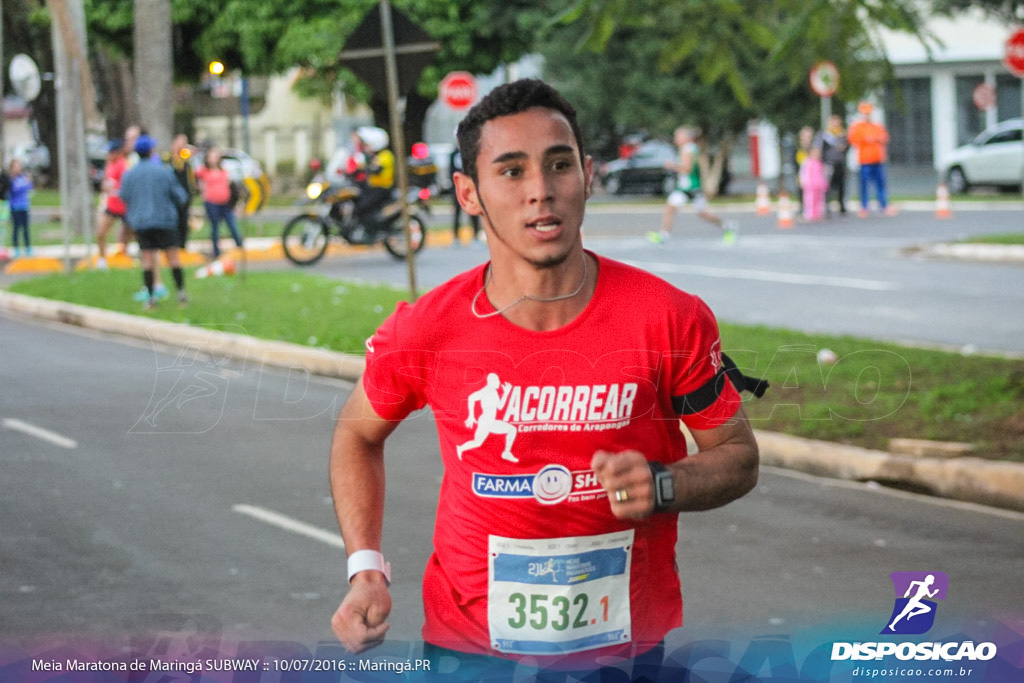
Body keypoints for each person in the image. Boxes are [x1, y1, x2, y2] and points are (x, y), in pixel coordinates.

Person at [329, 79, 762, 678]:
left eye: (558, 165)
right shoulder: (428, 328)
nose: (540, 191)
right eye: (510, 171)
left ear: (586, 175)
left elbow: (737, 456)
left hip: (627, 652)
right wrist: (366, 568)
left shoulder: (667, 317)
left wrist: (664, 485)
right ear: (468, 193)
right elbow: (357, 434)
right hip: (469, 650)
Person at [118, 135, 189, 310]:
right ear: (151, 151)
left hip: (142, 222)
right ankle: (181, 293)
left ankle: (151, 298)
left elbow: (123, 196)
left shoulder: (130, 174)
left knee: (147, 259)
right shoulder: (164, 172)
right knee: (173, 257)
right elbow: (180, 196)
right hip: (165, 221)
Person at [649, 125, 736, 245]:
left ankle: (727, 226)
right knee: (670, 208)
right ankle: (664, 235)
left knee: (703, 214)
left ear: (686, 138)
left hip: (692, 187)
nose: (676, 139)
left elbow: (687, 169)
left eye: (678, 136)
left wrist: (672, 166)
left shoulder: (687, 149)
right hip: (684, 187)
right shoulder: (690, 148)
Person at [847, 101, 896, 218]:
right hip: (865, 161)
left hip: (878, 159)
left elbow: (884, 138)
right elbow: (853, 140)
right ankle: (864, 207)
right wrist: (867, 139)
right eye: (865, 114)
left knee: (881, 184)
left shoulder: (877, 126)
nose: (867, 116)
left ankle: (884, 205)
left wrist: (874, 139)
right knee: (864, 184)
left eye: (869, 113)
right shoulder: (858, 127)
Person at [195, 147, 243, 259]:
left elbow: (230, 185)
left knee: (232, 224)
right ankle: (216, 251)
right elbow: (196, 178)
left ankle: (240, 246)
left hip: (225, 202)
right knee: (215, 226)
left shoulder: (223, 170)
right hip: (212, 202)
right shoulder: (203, 171)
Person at [350, 126, 395, 229]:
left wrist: (366, 169)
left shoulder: (385, 155)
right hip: (373, 188)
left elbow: (376, 169)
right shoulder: (375, 156)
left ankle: (370, 229)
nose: (366, 147)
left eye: (368, 144)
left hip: (381, 189)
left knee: (362, 207)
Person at [95, 139, 129, 269]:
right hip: (111, 205)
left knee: (128, 235)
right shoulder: (109, 164)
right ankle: (102, 260)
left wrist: (116, 190)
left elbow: (126, 185)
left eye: (111, 152)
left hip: (124, 206)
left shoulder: (123, 165)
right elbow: (106, 183)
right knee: (101, 233)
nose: (109, 154)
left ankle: (125, 258)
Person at [167, 134, 198, 250]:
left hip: (185, 197)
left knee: (184, 223)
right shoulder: (171, 160)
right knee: (174, 223)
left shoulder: (186, 161)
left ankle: (182, 246)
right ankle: (174, 245)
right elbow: (176, 167)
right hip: (173, 198)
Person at [449, 140, 481, 247]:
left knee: (473, 213)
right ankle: (456, 237)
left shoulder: (471, 153)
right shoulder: (454, 154)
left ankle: (475, 236)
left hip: (471, 187)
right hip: (457, 187)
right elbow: (451, 170)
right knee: (457, 214)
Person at [821, 114, 850, 216]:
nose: (835, 124)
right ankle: (826, 207)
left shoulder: (843, 134)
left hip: (840, 163)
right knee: (827, 186)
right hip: (830, 164)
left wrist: (844, 147)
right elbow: (822, 151)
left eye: (837, 122)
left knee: (841, 186)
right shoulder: (826, 136)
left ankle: (841, 206)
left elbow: (848, 147)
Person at [8, 159, 33, 257]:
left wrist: (27, 183)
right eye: (15, 166)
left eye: (19, 166)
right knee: (16, 228)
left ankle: (28, 247)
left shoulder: (23, 177)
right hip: (15, 207)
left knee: (26, 228)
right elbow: (14, 190)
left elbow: (29, 186)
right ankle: (16, 248)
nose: (18, 168)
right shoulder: (11, 179)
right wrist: (24, 185)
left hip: (24, 206)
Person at [799, 145, 828, 222]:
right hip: (810, 185)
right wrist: (804, 182)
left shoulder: (820, 163)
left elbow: (823, 174)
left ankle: (818, 214)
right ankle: (809, 214)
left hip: (819, 185)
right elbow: (803, 173)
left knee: (820, 200)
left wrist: (824, 183)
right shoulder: (807, 162)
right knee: (809, 200)